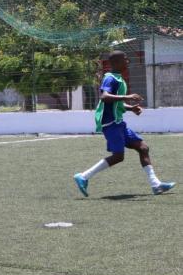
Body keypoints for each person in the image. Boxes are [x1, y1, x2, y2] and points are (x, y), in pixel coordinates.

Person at [74, 50, 175, 196]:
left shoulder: (118, 78)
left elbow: (115, 104)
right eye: (125, 59)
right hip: (111, 124)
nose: (127, 61)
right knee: (118, 156)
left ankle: (156, 184)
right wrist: (128, 96)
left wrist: (130, 108)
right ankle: (83, 176)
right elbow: (104, 97)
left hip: (119, 123)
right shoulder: (110, 78)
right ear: (116, 62)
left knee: (143, 148)